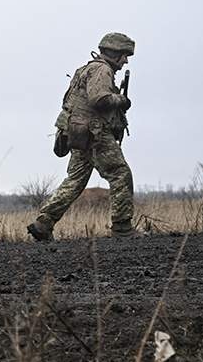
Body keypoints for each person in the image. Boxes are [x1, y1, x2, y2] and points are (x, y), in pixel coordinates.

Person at [28, 33, 137, 241]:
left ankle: (43, 223)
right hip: (95, 135)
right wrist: (121, 100)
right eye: (124, 56)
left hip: (79, 135)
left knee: (75, 181)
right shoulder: (102, 70)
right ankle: (123, 228)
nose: (125, 61)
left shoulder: (84, 69)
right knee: (120, 174)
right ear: (114, 53)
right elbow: (99, 99)